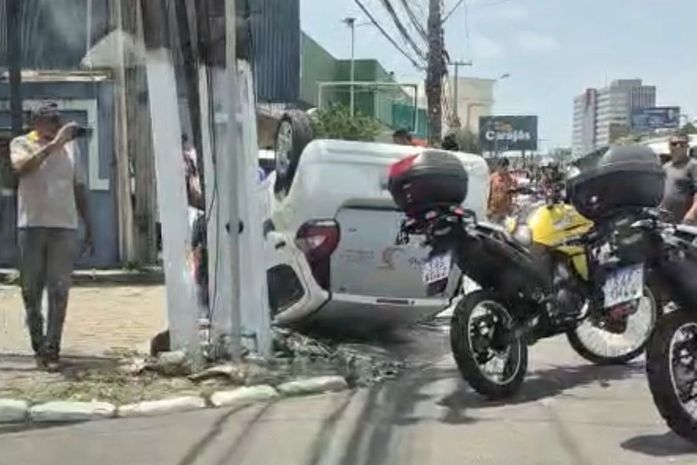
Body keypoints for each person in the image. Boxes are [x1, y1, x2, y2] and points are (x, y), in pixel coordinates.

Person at [10, 101, 92, 371]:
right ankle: (37, 344)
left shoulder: (71, 147)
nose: (57, 124)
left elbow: (78, 186)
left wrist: (88, 223)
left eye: (58, 119)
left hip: (64, 227)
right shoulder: (22, 143)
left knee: (59, 291)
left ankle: (52, 348)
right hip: (31, 226)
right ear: (36, 122)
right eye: (51, 120)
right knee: (31, 290)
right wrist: (55, 144)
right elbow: (21, 168)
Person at [660, 133, 697, 224]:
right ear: (669, 146)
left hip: (686, 219)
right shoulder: (666, 167)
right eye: (674, 144)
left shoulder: (693, 165)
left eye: (682, 143)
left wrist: (692, 213)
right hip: (667, 218)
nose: (678, 146)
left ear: (687, 146)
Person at [487, 157, 516, 223]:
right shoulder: (492, 178)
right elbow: (488, 193)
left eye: (506, 166)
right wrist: (487, 208)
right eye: (503, 165)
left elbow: (514, 193)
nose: (505, 168)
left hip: (505, 211)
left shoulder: (510, 178)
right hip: (494, 211)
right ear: (498, 166)